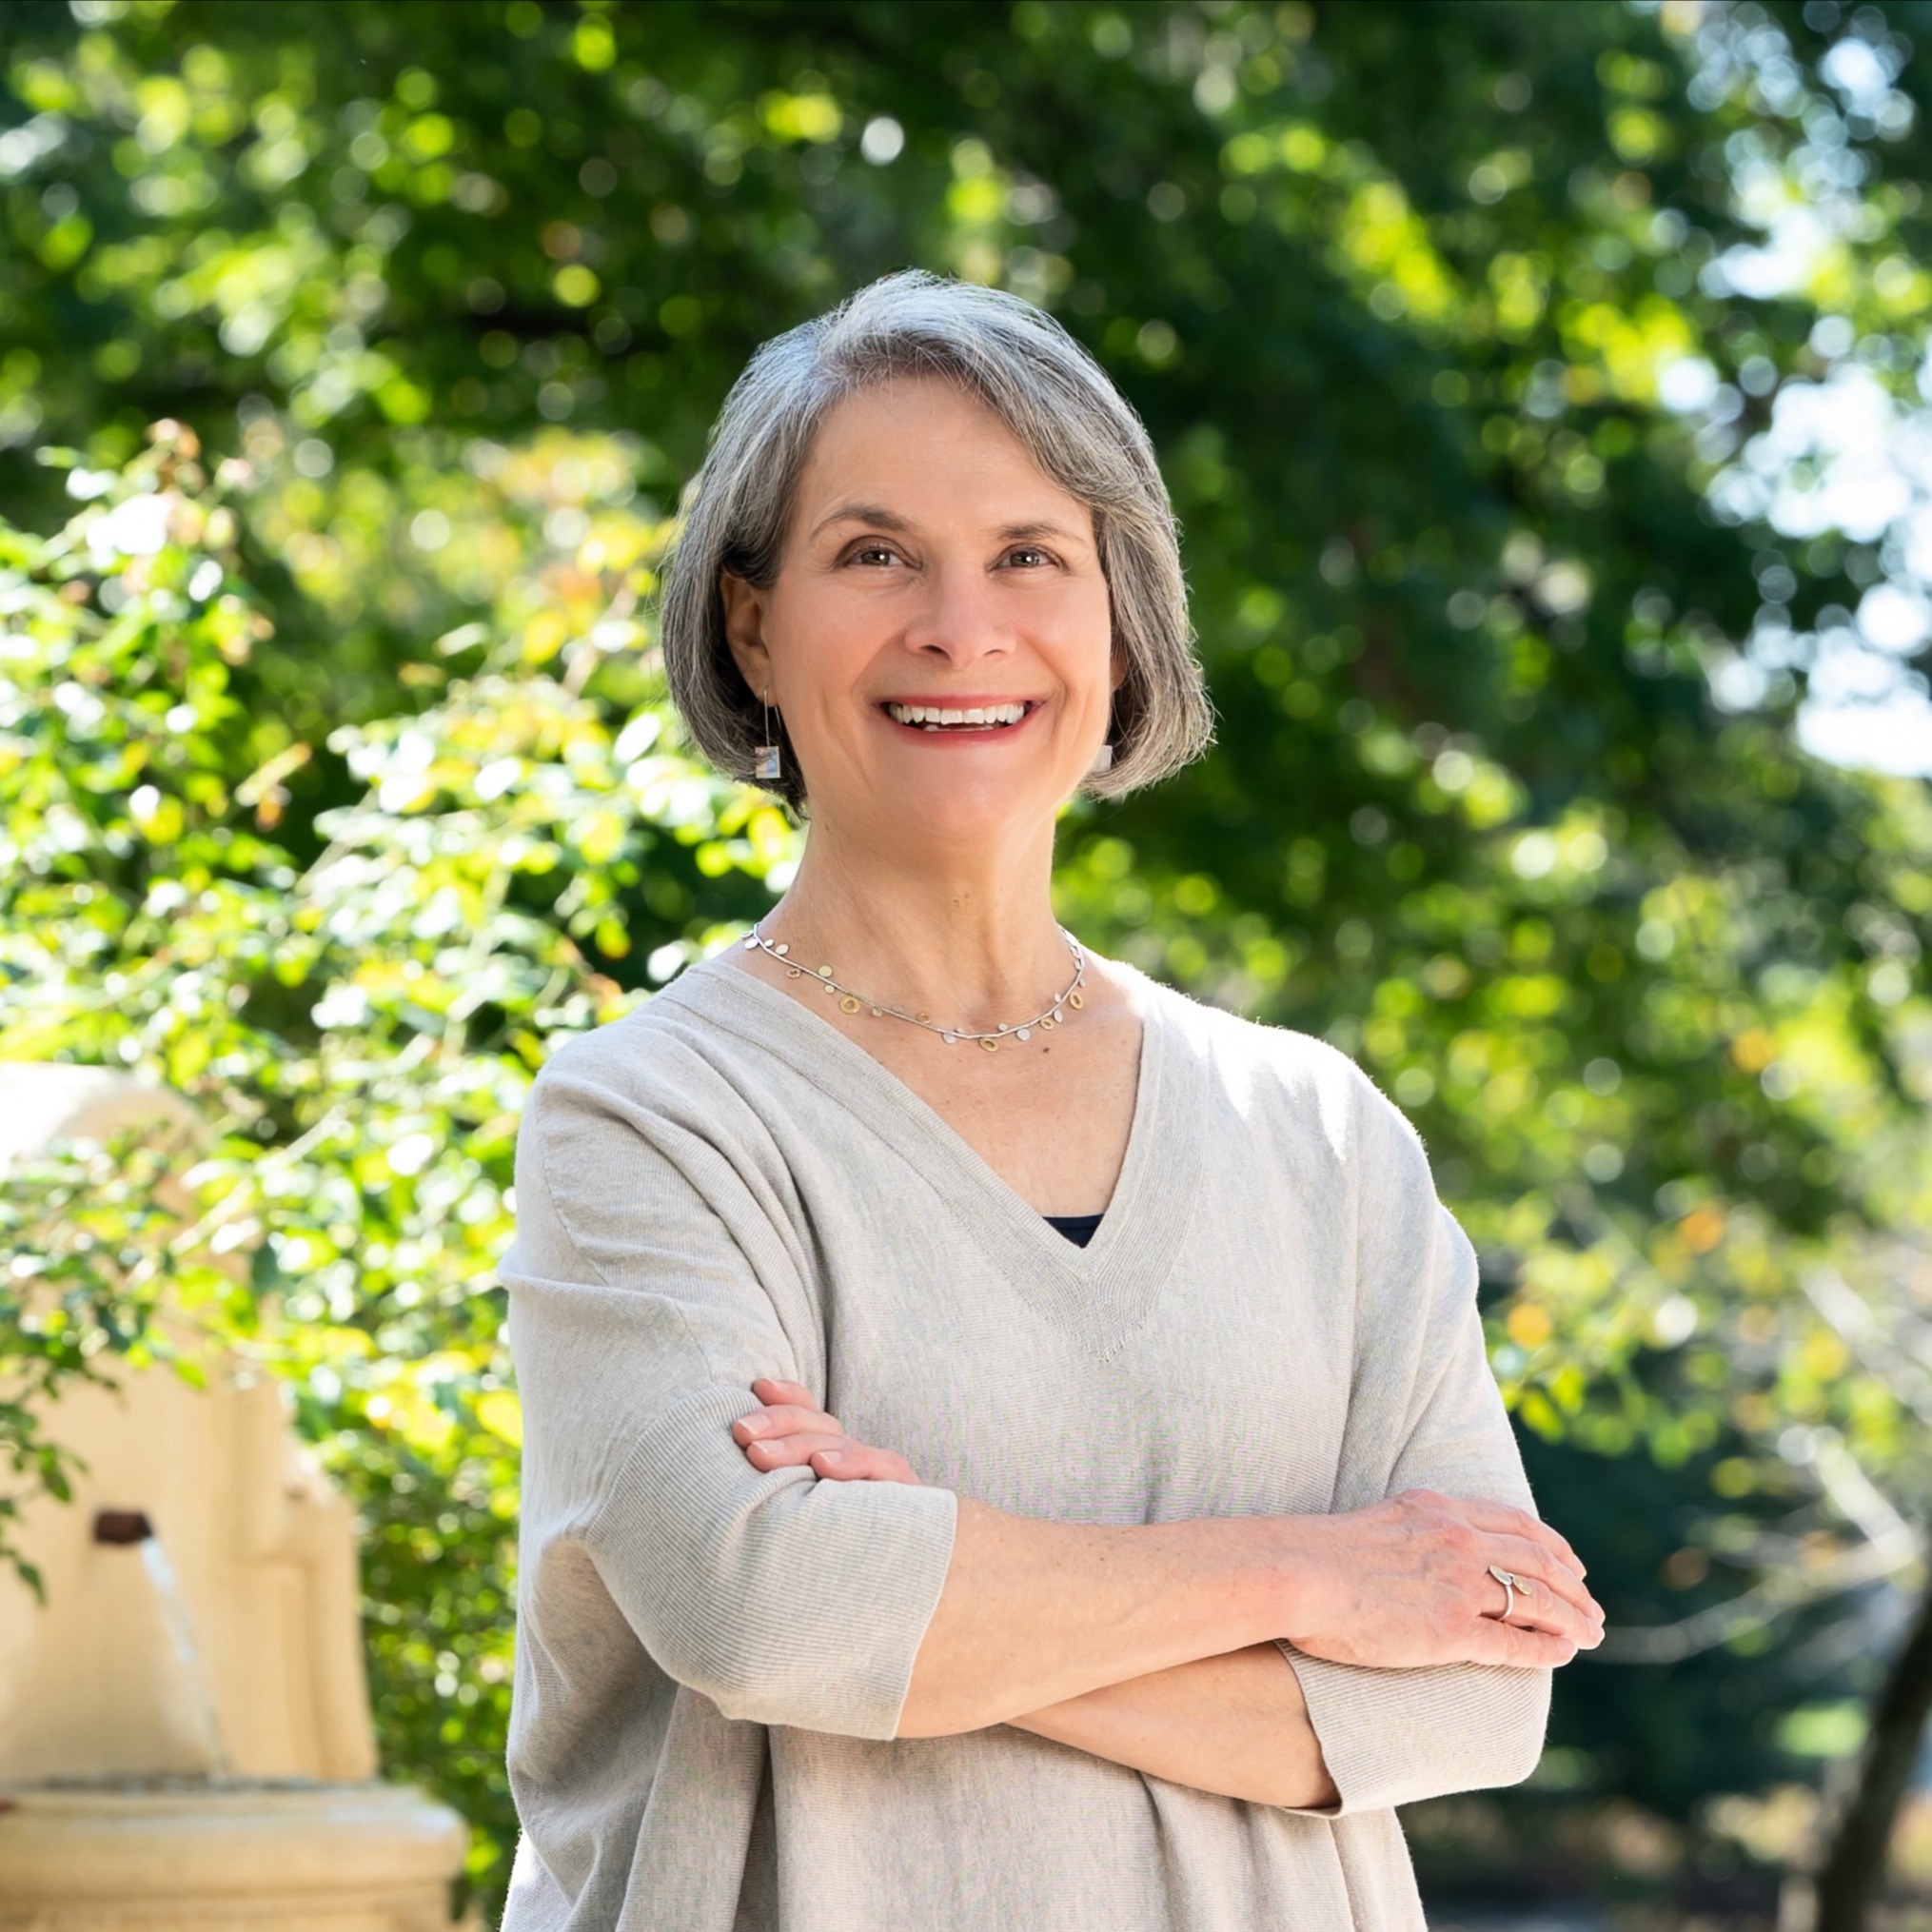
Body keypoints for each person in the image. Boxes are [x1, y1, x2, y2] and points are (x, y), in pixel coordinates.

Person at [499, 269, 1604, 1932]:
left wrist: (926, 1577)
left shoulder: (1316, 1132)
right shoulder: (652, 1115)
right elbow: (770, 1611)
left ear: (1118, 614)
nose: (962, 627)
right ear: (751, 624)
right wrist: (1315, 1576)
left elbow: (1478, 1686)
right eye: (874, 555)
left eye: (1029, 555)